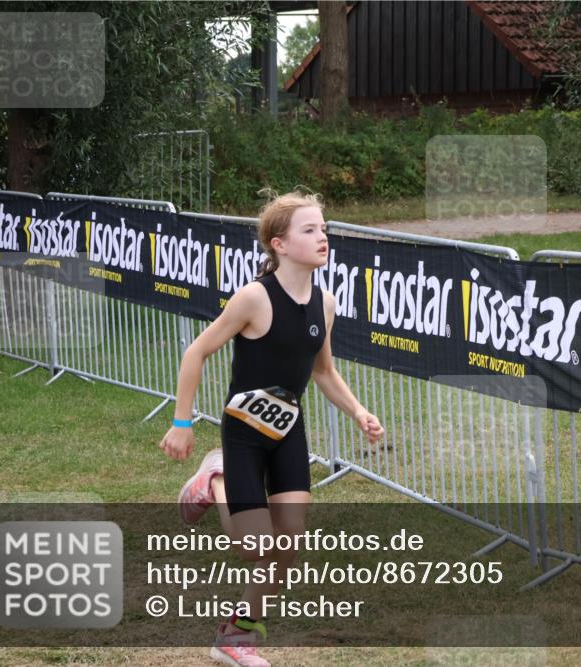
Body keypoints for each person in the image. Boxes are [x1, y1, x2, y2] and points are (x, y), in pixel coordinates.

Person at [159, 191, 384, 667]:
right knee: (255, 545)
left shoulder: (325, 302)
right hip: (243, 433)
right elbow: (195, 353)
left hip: (288, 433)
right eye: (310, 230)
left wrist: (358, 411)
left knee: (288, 542)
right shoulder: (254, 298)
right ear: (279, 244)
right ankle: (212, 479)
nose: (322, 237)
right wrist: (182, 423)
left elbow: (322, 371)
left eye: (324, 229)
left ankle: (235, 636)